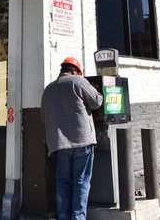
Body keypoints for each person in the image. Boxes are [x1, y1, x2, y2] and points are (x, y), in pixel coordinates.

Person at [41, 56, 103, 220]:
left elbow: (43, 116)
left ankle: (63, 217)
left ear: (62, 70)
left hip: (59, 144)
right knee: (81, 181)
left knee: (62, 182)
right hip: (82, 141)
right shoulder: (78, 81)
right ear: (76, 71)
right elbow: (97, 102)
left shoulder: (48, 89)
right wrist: (96, 89)